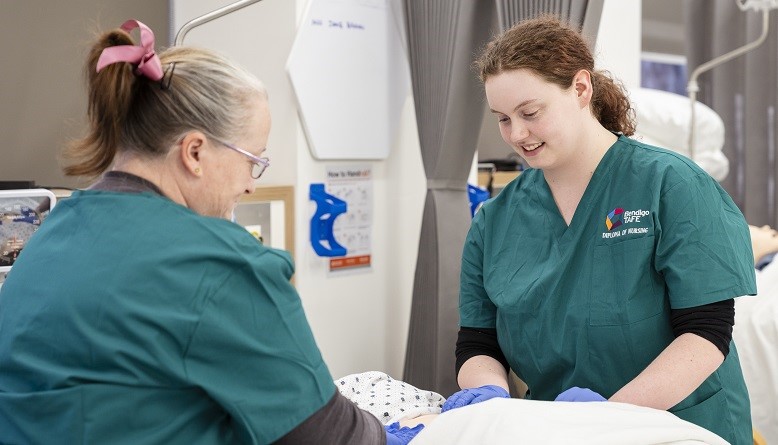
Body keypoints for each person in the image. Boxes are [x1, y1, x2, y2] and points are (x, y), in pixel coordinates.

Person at [0, 20, 422, 445]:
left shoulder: (49, 235)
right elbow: (327, 435)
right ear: (195, 152)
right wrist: (405, 430)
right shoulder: (217, 262)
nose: (251, 183)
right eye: (252, 159)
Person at [445, 15, 756, 445]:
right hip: (559, 430)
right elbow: (478, 341)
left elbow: (707, 331)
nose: (517, 134)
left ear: (580, 89)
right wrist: (490, 395)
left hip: (679, 428)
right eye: (502, 118)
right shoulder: (495, 220)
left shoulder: (671, 184)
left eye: (530, 113)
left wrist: (609, 419)